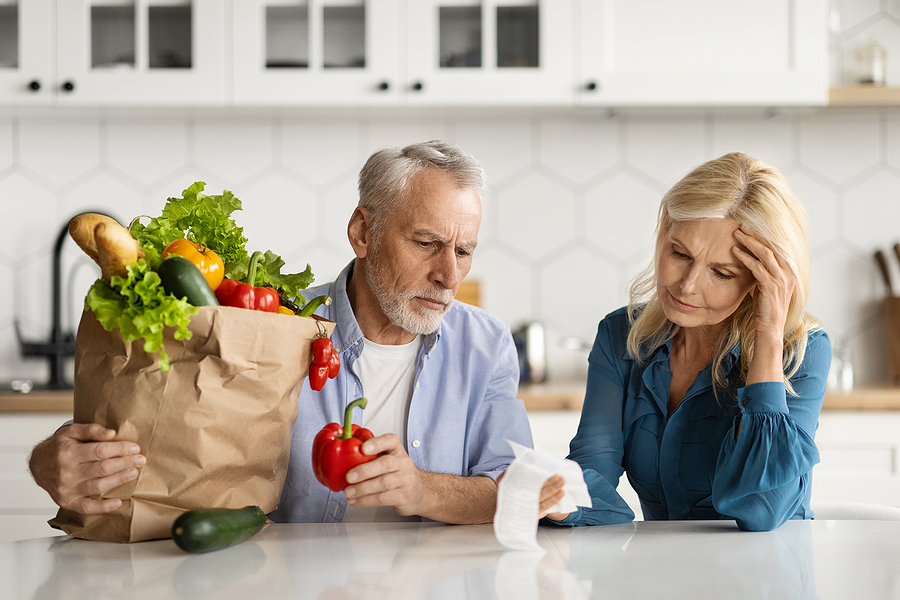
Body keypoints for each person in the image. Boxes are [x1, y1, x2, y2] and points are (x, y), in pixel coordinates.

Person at [29, 139, 551, 525]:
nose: (449, 275)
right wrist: (55, 464)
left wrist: (422, 490)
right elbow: (173, 458)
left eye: (463, 251)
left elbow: (519, 493)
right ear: (362, 232)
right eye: (426, 243)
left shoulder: (486, 345)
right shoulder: (269, 328)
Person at [540, 152, 830, 532]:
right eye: (680, 253)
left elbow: (762, 510)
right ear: (664, 233)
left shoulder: (802, 351)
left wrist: (769, 333)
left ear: (762, 282)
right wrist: (558, 496)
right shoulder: (619, 336)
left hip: (767, 578)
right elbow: (594, 469)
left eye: (722, 273)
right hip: (661, 577)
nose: (687, 285)